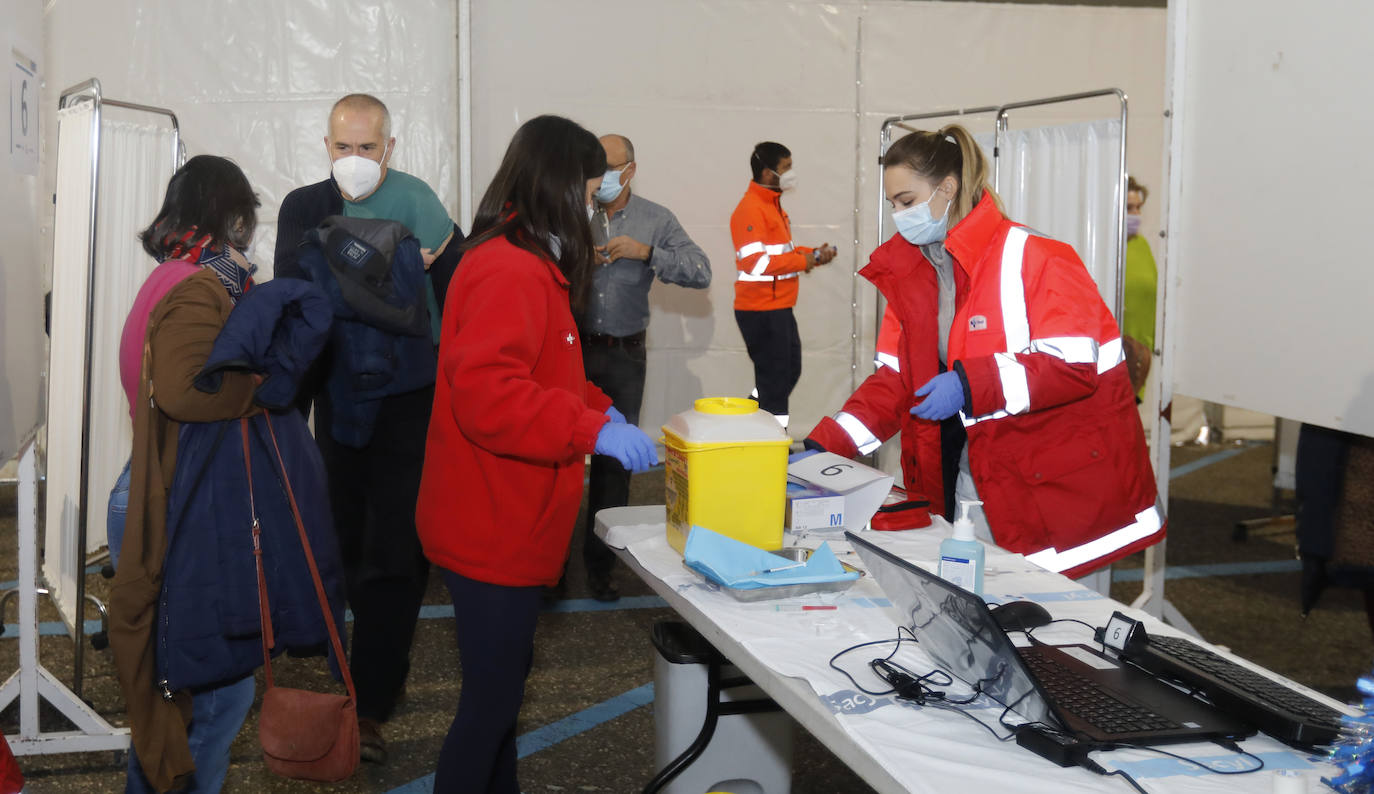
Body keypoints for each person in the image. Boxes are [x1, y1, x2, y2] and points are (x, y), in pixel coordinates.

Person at [415, 115, 658, 793]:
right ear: (560, 184)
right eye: (587, 187)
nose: (593, 201)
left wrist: (600, 408)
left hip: (504, 522)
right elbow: (491, 396)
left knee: (498, 707)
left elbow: (545, 370)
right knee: (488, 711)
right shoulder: (510, 269)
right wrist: (589, 431)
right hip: (493, 526)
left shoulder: (526, 262)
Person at [804, 124, 1162, 582]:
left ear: (948, 188)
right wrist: (824, 447)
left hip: (1057, 493)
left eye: (907, 201)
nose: (898, 215)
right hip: (976, 480)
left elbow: (1073, 367)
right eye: (893, 204)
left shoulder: (1038, 257)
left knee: (1061, 633)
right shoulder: (916, 274)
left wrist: (971, 384)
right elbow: (895, 384)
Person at [109, 155, 344, 793]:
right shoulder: (196, 288)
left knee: (181, 701)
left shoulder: (168, 277)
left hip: (162, 484)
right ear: (234, 217)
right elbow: (188, 393)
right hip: (177, 498)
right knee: (213, 698)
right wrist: (263, 387)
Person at [274, 93, 463, 763]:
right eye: (342, 146)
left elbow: (457, 294)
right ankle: (351, 670)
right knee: (341, 541)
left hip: (409, 401)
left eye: (368, 146)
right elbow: (293, 303)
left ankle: (375, 699)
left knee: (395, 554)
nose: (354, 159)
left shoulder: (420, 203)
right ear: (326, 145)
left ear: (390, 146)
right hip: (334, 396)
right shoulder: (304, 206)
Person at [575, 133, 710, 602]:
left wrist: (647, 253)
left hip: (624, 354)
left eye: (609, 167)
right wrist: (576, 261)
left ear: (630, 170)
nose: (601, 176)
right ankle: (550, 565)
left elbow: (701, 270)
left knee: (615, 463)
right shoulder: (573, 209)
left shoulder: (655, 218)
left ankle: (601, 565)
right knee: (559, 455)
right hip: (569, 349)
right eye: (595, 167)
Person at [730, 141, 837, 430]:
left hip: (779, 307)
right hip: (760, 311)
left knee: (786, 374)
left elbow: (781, 252)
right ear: (767, 173)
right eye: (786, 168)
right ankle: (772, 444)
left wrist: (812, 254)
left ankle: (749, 421)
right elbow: (755, 263)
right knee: (776, 381)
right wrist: (805, 262)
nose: (791, 174)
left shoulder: (772, 206)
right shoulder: (751, 209)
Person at [1122, 175, 1158, 402]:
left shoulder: (1142, 246)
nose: (1135, 214)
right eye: (1128, 208)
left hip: (1138, 359)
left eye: (1138, 208)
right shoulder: (1107, 249)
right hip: (1111, 360)